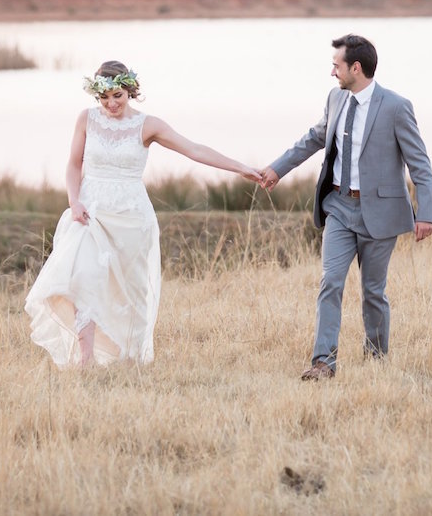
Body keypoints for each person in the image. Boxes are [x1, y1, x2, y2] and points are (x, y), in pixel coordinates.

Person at [26, 61, 263, 367]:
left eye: (118, 96)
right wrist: (74, 202)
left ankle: (131, 358)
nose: (111, 104)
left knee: (130, 289)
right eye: (104, 97)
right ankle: (85, 359)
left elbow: (194, 149)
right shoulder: (86, 119)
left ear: (130, 91)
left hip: (131, 217)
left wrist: (243, 169)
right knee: (84, 276)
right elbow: (73, 164)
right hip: (91, 211)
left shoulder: (148, 125)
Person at [258, 34, 432, 381]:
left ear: (356, 68)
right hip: (338, 207)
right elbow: (314, 138)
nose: (332, 73)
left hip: (381, 213)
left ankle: (376, 357)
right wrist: (277, 168)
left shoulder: (396, 107)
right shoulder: (335, 99)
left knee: (373, 291)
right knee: (330, 282)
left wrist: (425, 213)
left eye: (336, 65)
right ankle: (324, 362)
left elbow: (420, 164)